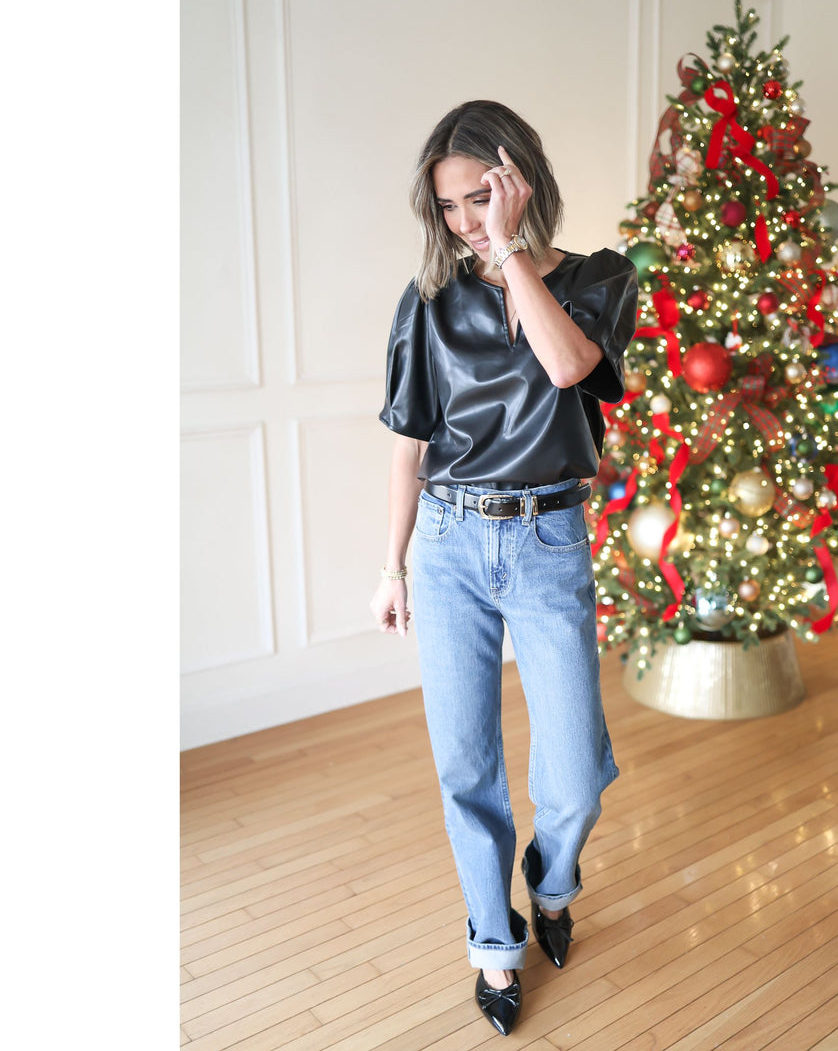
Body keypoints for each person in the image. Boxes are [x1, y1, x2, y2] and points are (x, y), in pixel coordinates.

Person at [369, 100, 637, 1037]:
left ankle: (551, 882)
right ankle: (493, 939)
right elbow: (409, 445)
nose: (464, 223)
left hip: (547, 541)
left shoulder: (600, 278)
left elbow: (566, 368)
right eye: (448, 207)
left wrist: (513, 248)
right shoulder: (429, 300)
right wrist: (393, 566)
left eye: (477, 198)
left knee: (575, 770)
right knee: (466, 763)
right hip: (448, 545)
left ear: (519, 179)